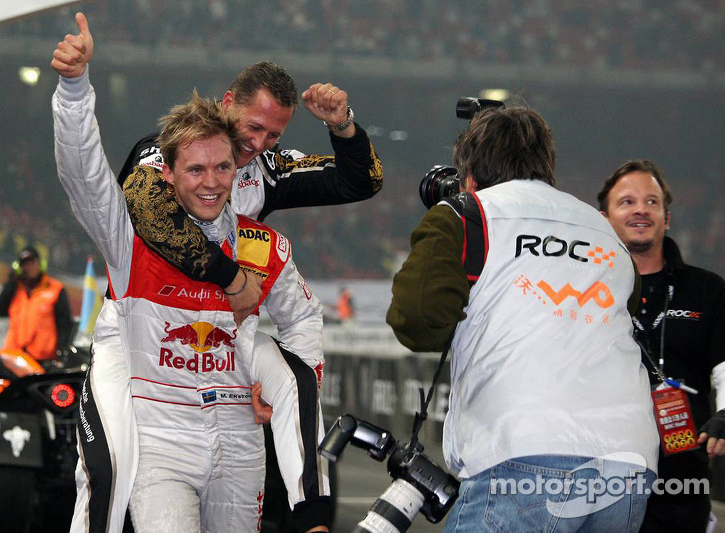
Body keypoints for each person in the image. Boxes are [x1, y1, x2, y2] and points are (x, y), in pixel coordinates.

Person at [54, 14, 383, 533]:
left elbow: (359, 182)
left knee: (282, 372)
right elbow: (140, 209)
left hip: (227, 342)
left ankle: (311, 515)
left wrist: (342, 126)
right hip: (145, 328)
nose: (260, 144)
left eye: (273, 135)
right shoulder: (165, 147)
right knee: (106, 473)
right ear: (228, 102)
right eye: (254, 128)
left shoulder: (264, 171)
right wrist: (231, 275)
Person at [387, 106, 660, 532]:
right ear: (546, 166)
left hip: (524, 450)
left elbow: (417, 321)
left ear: (470, 176)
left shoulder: (466, 213)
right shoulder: (605, 230)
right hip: (630, 461)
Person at [597, 159, 725, 533]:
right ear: (605, 219)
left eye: (651, 202)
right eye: (627, 202)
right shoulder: (584, 294)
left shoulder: (708, 290)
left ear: (666, 218)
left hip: (682, 480)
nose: (640, 209)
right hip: (599, 475)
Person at [0, 245, 73, 362]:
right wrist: (11, 284)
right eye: (25, 264)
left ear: (40, 264)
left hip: (44, 358)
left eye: (31, 263)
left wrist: (61, 351)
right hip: (14, 357)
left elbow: (65, 324)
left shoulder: (55, 289)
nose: (29, 267)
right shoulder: (14, 289)